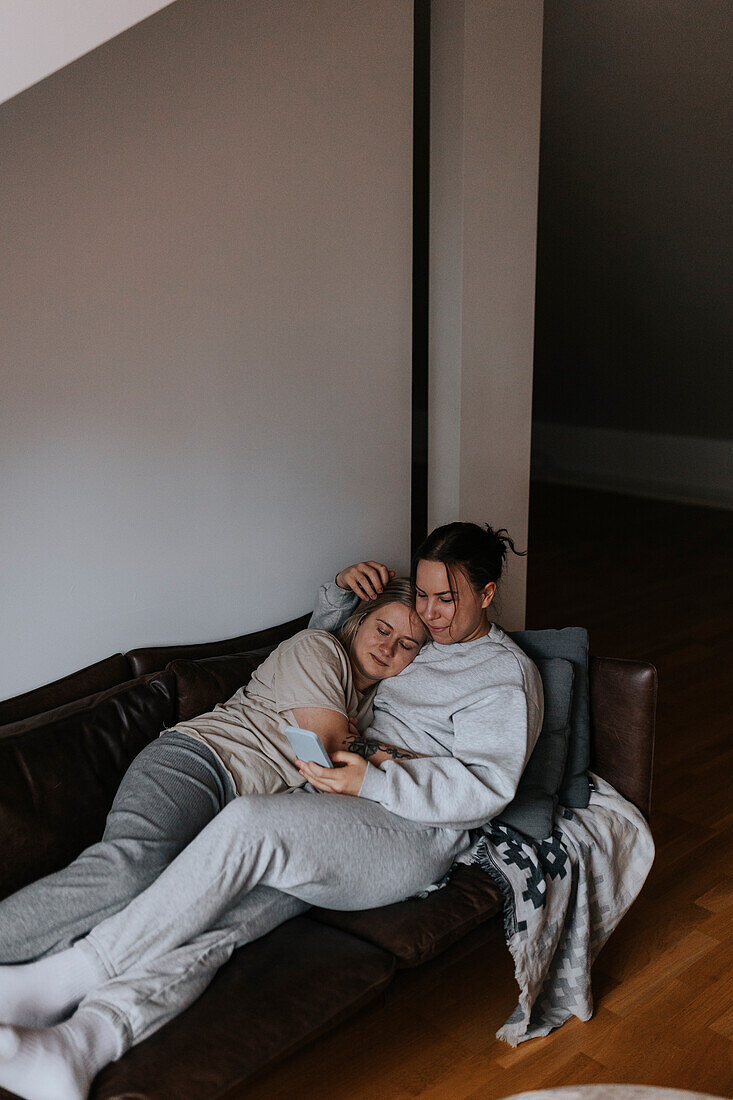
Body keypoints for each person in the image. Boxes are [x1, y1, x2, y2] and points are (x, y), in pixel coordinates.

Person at [0, 522, 543, 1100]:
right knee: (213, 919)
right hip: (327, 813)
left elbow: (486, 786)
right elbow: (340, 648)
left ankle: (64, 976)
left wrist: (378, 774)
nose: (430, 615)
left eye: (447, 599)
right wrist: (339, 595)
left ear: (486, 595)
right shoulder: (422, 644)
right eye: (426, 595)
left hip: (409, 829)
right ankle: (82, 1044)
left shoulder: (505, 675)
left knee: (248, 823)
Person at [0, 578, 425, 964]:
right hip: (201, 762)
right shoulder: (318, 648)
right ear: (359, 622)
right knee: (128, 871)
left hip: (246, 815)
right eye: (383, 630)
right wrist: (428, 769)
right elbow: (334, 746)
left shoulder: (374, 705)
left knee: (165, 910)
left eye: (407, 644)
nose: (389, 648)